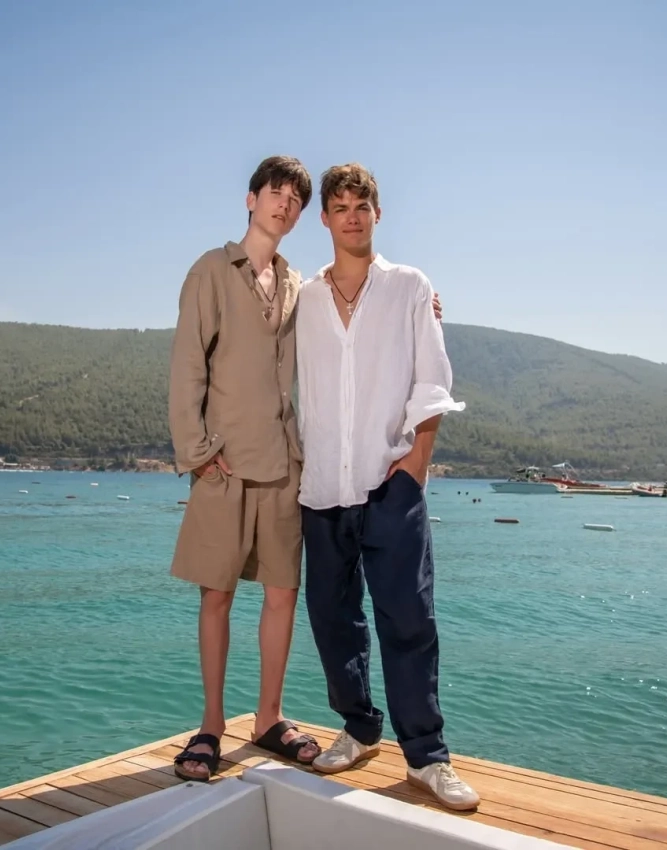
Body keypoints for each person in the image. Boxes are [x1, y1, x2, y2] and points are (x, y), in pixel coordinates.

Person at [296, 163, 480, 812]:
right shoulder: (302, 299)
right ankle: (358, 728)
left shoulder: (409, 287)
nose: (351, 217)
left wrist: (418, 462)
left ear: (378, 214)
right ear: (324, 218)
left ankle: (427, 758)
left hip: (390, 480)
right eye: (340, 207)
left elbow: (433, 376)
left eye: (362, 206)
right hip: (322, 484)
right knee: (331, 618)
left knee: (408, 619)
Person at [167, 155, 322, 782]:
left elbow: (348, 318)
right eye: (275, 192)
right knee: (218, 595)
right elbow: (187, 368)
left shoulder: (298, 284)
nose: (285, 204)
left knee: (283, 593)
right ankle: (211, 726)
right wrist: (200, 453)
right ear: (251, 199)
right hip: (223, 466)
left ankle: (268, 719)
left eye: (296, 200)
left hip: (284, 466)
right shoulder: (211, 269)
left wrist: (422, 308)